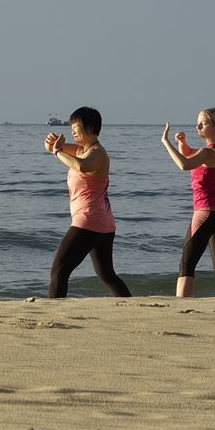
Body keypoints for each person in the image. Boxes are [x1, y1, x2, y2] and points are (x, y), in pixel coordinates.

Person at [44, 107, 132, 299]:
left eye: (77, 127)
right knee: (107, 275)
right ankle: (131, 305)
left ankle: (52, 311)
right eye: (71, 127)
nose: (73, 131)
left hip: (89, 220)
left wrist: (57, 151)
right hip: (102, 222)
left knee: (59, 270)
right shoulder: (81, 150)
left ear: (91, 128)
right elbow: (53, 149)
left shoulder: (98, 153)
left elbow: (83, 166)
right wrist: (52, 144)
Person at [160, 108, 215, 298]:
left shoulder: (208, 152)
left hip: (206, 213)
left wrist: (166, 142)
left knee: (186, 264)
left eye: (202, 123)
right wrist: (182, 143)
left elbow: (184, 164)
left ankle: (182, 305)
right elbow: (189, 156)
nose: (197, 126)